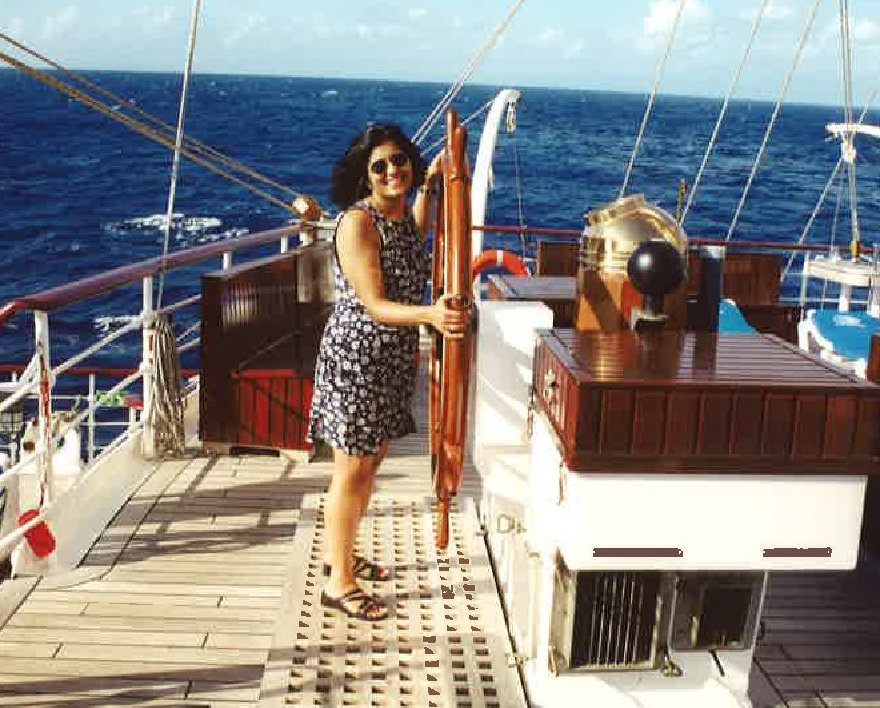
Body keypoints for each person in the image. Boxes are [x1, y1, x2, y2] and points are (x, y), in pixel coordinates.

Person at [307, 123, 469, 622]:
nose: (392, 171)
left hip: (391, 359)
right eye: (380, 165)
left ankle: (343, 551)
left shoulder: (398, 218)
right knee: (351, 471)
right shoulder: (358, 224)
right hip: (358, 358)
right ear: (364, 175)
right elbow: (376, 305)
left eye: (400, 160)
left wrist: (436, 178)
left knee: (368, 465)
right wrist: (433, 316)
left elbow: (419, 226)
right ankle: (339, 582)